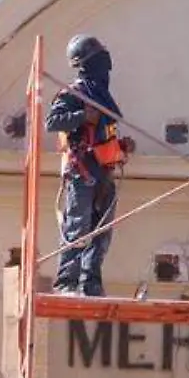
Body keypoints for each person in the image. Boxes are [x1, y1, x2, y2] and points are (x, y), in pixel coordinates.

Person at [46, 35, 135, 297]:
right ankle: (67, 282)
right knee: (78, 225)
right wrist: (83, 115)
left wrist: (122, 146)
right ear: (87, 64)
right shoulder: (75, 94)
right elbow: (53, 122)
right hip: (83, 170)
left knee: (102, 230)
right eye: (99, 59)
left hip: (104, 171)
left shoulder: (103, 98)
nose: (105, 65)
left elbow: (102, 135)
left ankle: (91, 283)